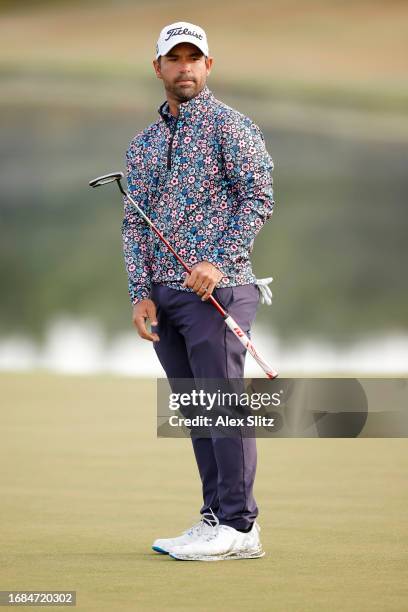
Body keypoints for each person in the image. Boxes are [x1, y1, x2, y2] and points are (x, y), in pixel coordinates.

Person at [122, 21, 275, 561]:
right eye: (175, 58)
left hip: (220, 291)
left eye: (194, 58)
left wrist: (219, 259)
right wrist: (140, 292)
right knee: (197, 410)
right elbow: (134, 224)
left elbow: (258, 196)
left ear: (208, 66)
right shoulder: (143, 144)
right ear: (158, 67)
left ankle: (239, 526)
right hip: (165, 299)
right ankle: (214, 517)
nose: (184, 67)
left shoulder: (231, 127)